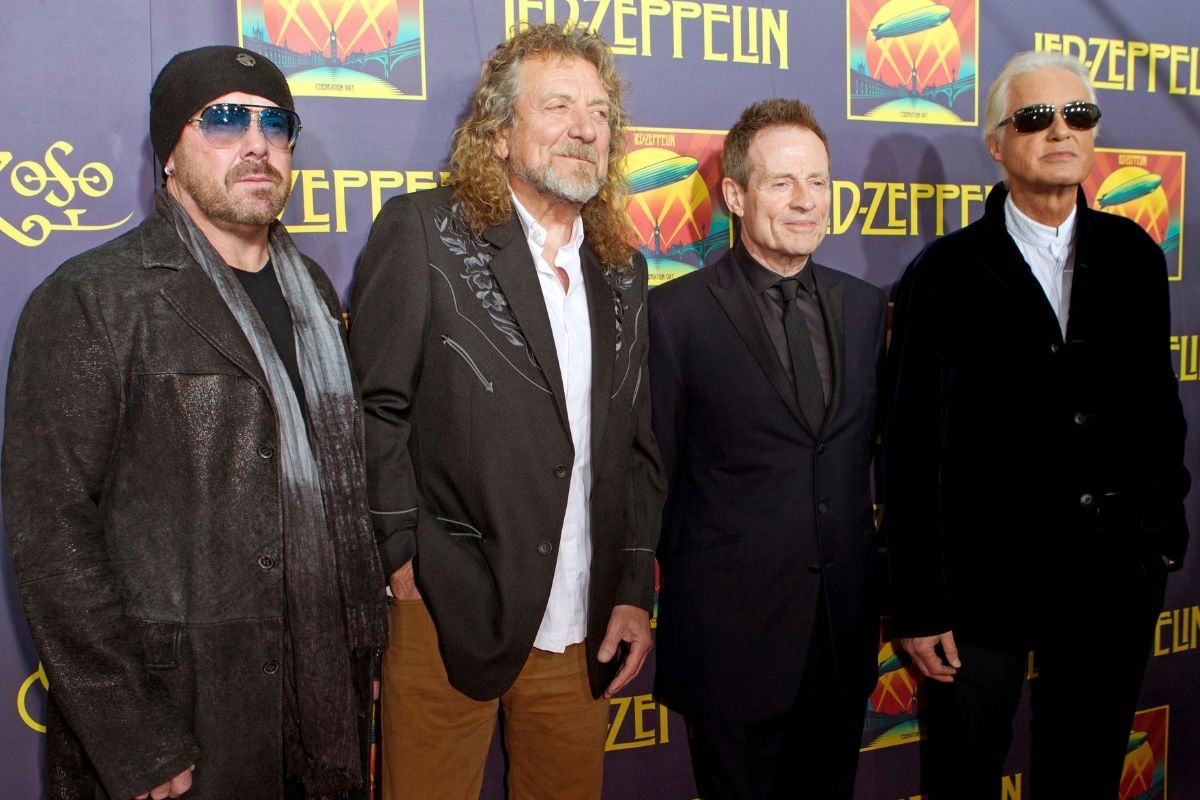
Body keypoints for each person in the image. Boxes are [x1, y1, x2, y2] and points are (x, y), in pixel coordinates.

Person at [2, 45, 387, 800]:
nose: (257, 144)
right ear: (170, 154)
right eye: (224, 120)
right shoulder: (93, 298)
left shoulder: (311, 291)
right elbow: (51, 532)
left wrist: (354, 655)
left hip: (314, 709)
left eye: (276, 124)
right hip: (180, 716)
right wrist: (132, 736)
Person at [348, 23, 663, 800]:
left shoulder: (623, 269)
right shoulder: (425, 233)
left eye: (599, 112)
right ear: (497, 133)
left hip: (579, 626)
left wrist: (631, 587)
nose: (584, 128)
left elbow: (634, 446)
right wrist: (400, 559)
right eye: (557, 106)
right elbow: (373, 407)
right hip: (444, 610)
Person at [882, 49, 1190, 798]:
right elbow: (912, 450)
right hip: (979, 589)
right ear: (996, 143)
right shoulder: (943, 273)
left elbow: (1159, 411)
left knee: (1085, 777)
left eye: (1077, 115)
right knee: (961, 778)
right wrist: (920, 602)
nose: (1060, 131)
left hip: (1110, 581)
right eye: (1035, 118)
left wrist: (1159, 532)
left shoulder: (1135, 257)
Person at [648, 99, 887, 799]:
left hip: (840, 636)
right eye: (782, 183)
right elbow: (651, 478)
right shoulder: (675, 316)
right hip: (730, 643)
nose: (805, 201)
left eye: (818, 182)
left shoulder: (864, 307)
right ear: (735, 195)